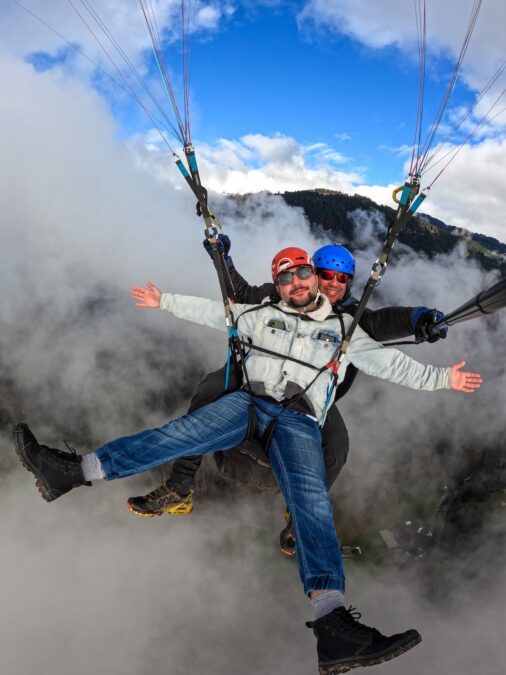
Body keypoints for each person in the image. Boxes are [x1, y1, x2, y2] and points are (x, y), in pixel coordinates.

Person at [14, 246, 482, 674]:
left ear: (315, 282)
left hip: (298, 419)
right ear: (277, 285)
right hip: (247, 403)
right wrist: (165, 301)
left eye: (303, 275)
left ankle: (332, 625)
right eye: (288, 277)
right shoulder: (260, 312)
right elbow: (216, 310)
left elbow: (391, 362)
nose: (297, 283)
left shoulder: (345, 329)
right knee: (178, 434)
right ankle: (74, 472)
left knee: (311, 498)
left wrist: (442, 378)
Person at [127, 239, 447, 557]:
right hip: (258, 379)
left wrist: (420, 318)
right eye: (327, 275)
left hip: (307, 400)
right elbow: (239, 294)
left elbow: (386, 321)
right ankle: (180, 486)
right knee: (210, 389)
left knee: (336, 447)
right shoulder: (282, 293)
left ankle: (300, 518)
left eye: (343, 278)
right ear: (311, 273)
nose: (334, 284)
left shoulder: (353, 318)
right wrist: (221, 259)